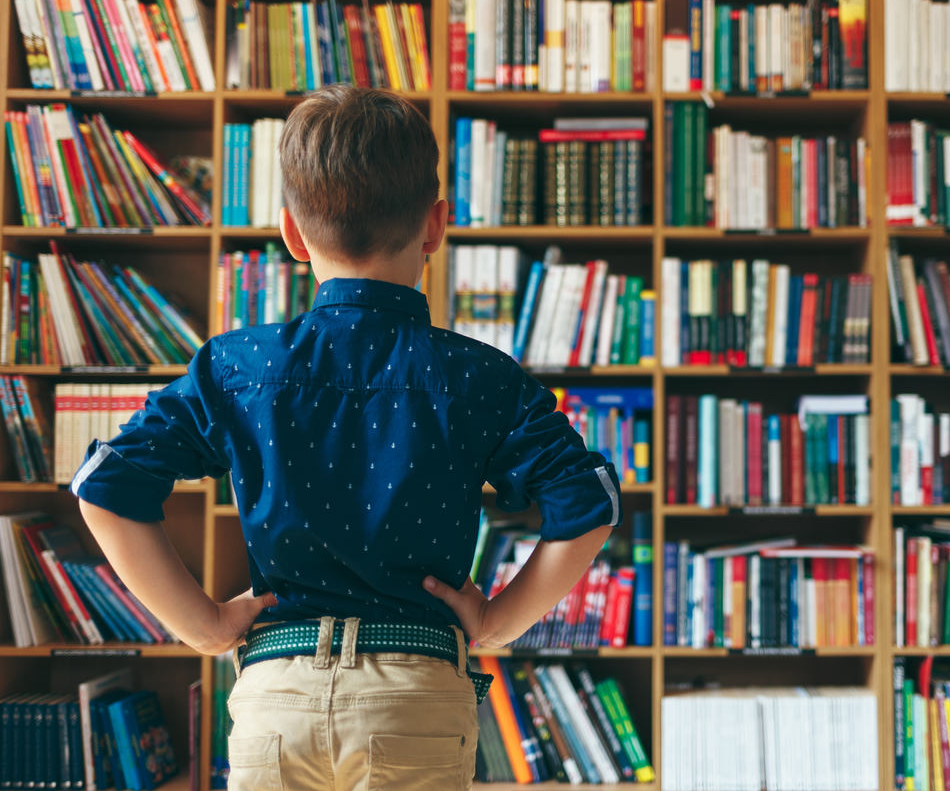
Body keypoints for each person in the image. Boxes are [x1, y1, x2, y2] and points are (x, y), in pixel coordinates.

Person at [73, 85, 620, 791]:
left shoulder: (238, 367)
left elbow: (106, 489)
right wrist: (498, 621)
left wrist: (206, 626)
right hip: (415, 695)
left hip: (279, 694)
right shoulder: (479, 376)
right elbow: (588, 502)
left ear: (291, 234)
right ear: (436, 226)